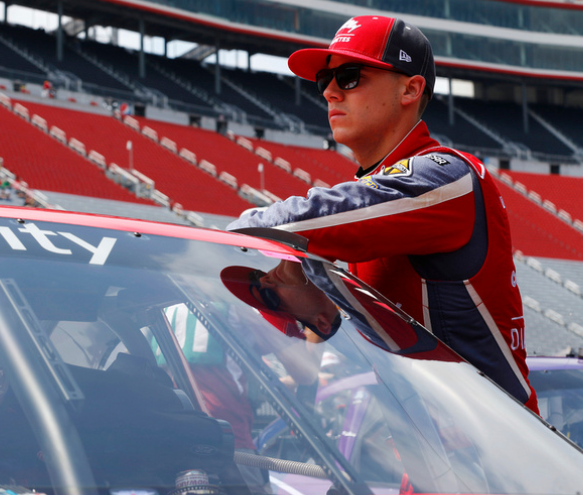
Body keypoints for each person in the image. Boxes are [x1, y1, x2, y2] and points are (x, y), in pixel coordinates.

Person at [227, 15, 538, 414]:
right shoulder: (380, 208)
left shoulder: (445, 176)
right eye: (325, 81)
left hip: (500, 457)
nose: (330, 93)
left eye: (350, 77)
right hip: (432, 458)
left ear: (411, 89)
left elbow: (280, 225)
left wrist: (226, 239)